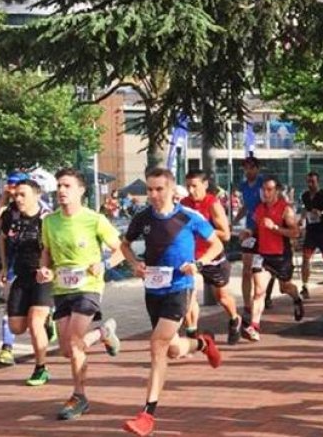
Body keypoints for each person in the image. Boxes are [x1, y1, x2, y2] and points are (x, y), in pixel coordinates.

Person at [121, 168, 224, 437]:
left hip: (180, 288)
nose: (154, 195)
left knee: (157, 345)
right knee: (173, 349)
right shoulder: (142, 218)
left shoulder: (189, 217)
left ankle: (147, 414)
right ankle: (203, 343)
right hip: (153, 288)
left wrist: (198, 263)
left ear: (171, 189)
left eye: (159, 189)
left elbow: (216, 244)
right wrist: (134, 264)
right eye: (150, 190)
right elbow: (124, 244)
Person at [37, 168, 124, 421]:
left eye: (67, 186)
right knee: (67, 350)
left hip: (89, 286)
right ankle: (103, 333)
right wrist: (44, 269)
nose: (61, 191)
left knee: (75, 342)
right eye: (59, 186)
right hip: (62, 288)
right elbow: (46, 252)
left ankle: (79, 397)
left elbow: (121, 249)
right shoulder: (49, 221)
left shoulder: (94, 219)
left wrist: (105, 264)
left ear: (81, 191)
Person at [0, 178, 54, 386]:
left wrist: (51, 270)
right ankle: (50, 322)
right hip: (21, 276)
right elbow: (1, 238)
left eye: (23, 195)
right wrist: (4, 266)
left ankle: (41, 368)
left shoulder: (47, 219)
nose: (19, 199)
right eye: (16, 195)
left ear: (37, 196)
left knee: (34, 322)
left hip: (42, 276)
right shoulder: (12, 218)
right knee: (16, 327)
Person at [180, 170, 242, 345]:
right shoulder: (184, 204)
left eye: (195, 186)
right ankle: (192, 334)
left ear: (205, 185)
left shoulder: (212, 204)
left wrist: (201, 228)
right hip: (191, 257)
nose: (191, 191)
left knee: (222, 297)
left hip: (211, 256)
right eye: (188, 186)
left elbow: (226, 235)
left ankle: (234, 318)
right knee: (188, 297)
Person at [242, 176, 304, 339]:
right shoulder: (259, 208)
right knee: (259, 291)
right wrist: (248, 233)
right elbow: (255, 228)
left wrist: (275, 227)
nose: (266, 193)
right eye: (264, 189)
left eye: (269, 189)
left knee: (285, 288)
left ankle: (297, 298)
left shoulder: (286, 209)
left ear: (277, 191)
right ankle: (254, 327)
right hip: (262, 255)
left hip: (281, 256)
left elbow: (296, 233)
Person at [234, 157, 265, 324]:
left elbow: (266, 205)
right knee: (246, 268)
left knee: (261, 269)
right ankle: (247, 305)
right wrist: (234, 220)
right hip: (248, 231)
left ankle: (263, 295)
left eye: (251, 168)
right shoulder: (244, 186)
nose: (248, 171)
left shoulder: (263, 184)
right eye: (246, 168)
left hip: (263, 231)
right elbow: (246, 206)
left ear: (257, 169)